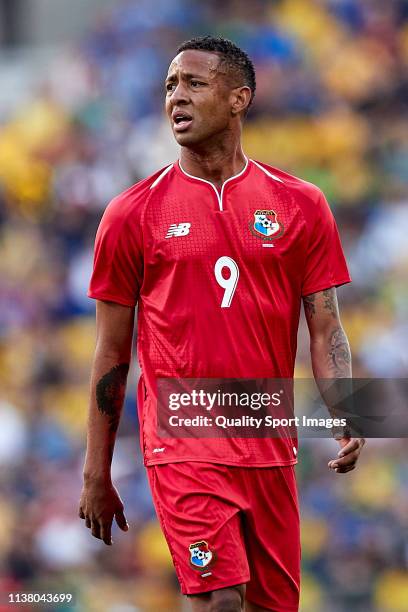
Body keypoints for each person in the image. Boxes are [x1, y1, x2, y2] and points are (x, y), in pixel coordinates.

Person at [79, 36, 365, 612]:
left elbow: (326, 327)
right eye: (168, 85)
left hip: (267, 440)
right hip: (183, 440)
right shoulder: (132, 214)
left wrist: (346, 410)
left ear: (240, 99)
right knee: (219, 601)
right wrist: (95, 473)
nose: (174, 98)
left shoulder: (300, 203)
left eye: (193, 84)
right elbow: (112, 353)